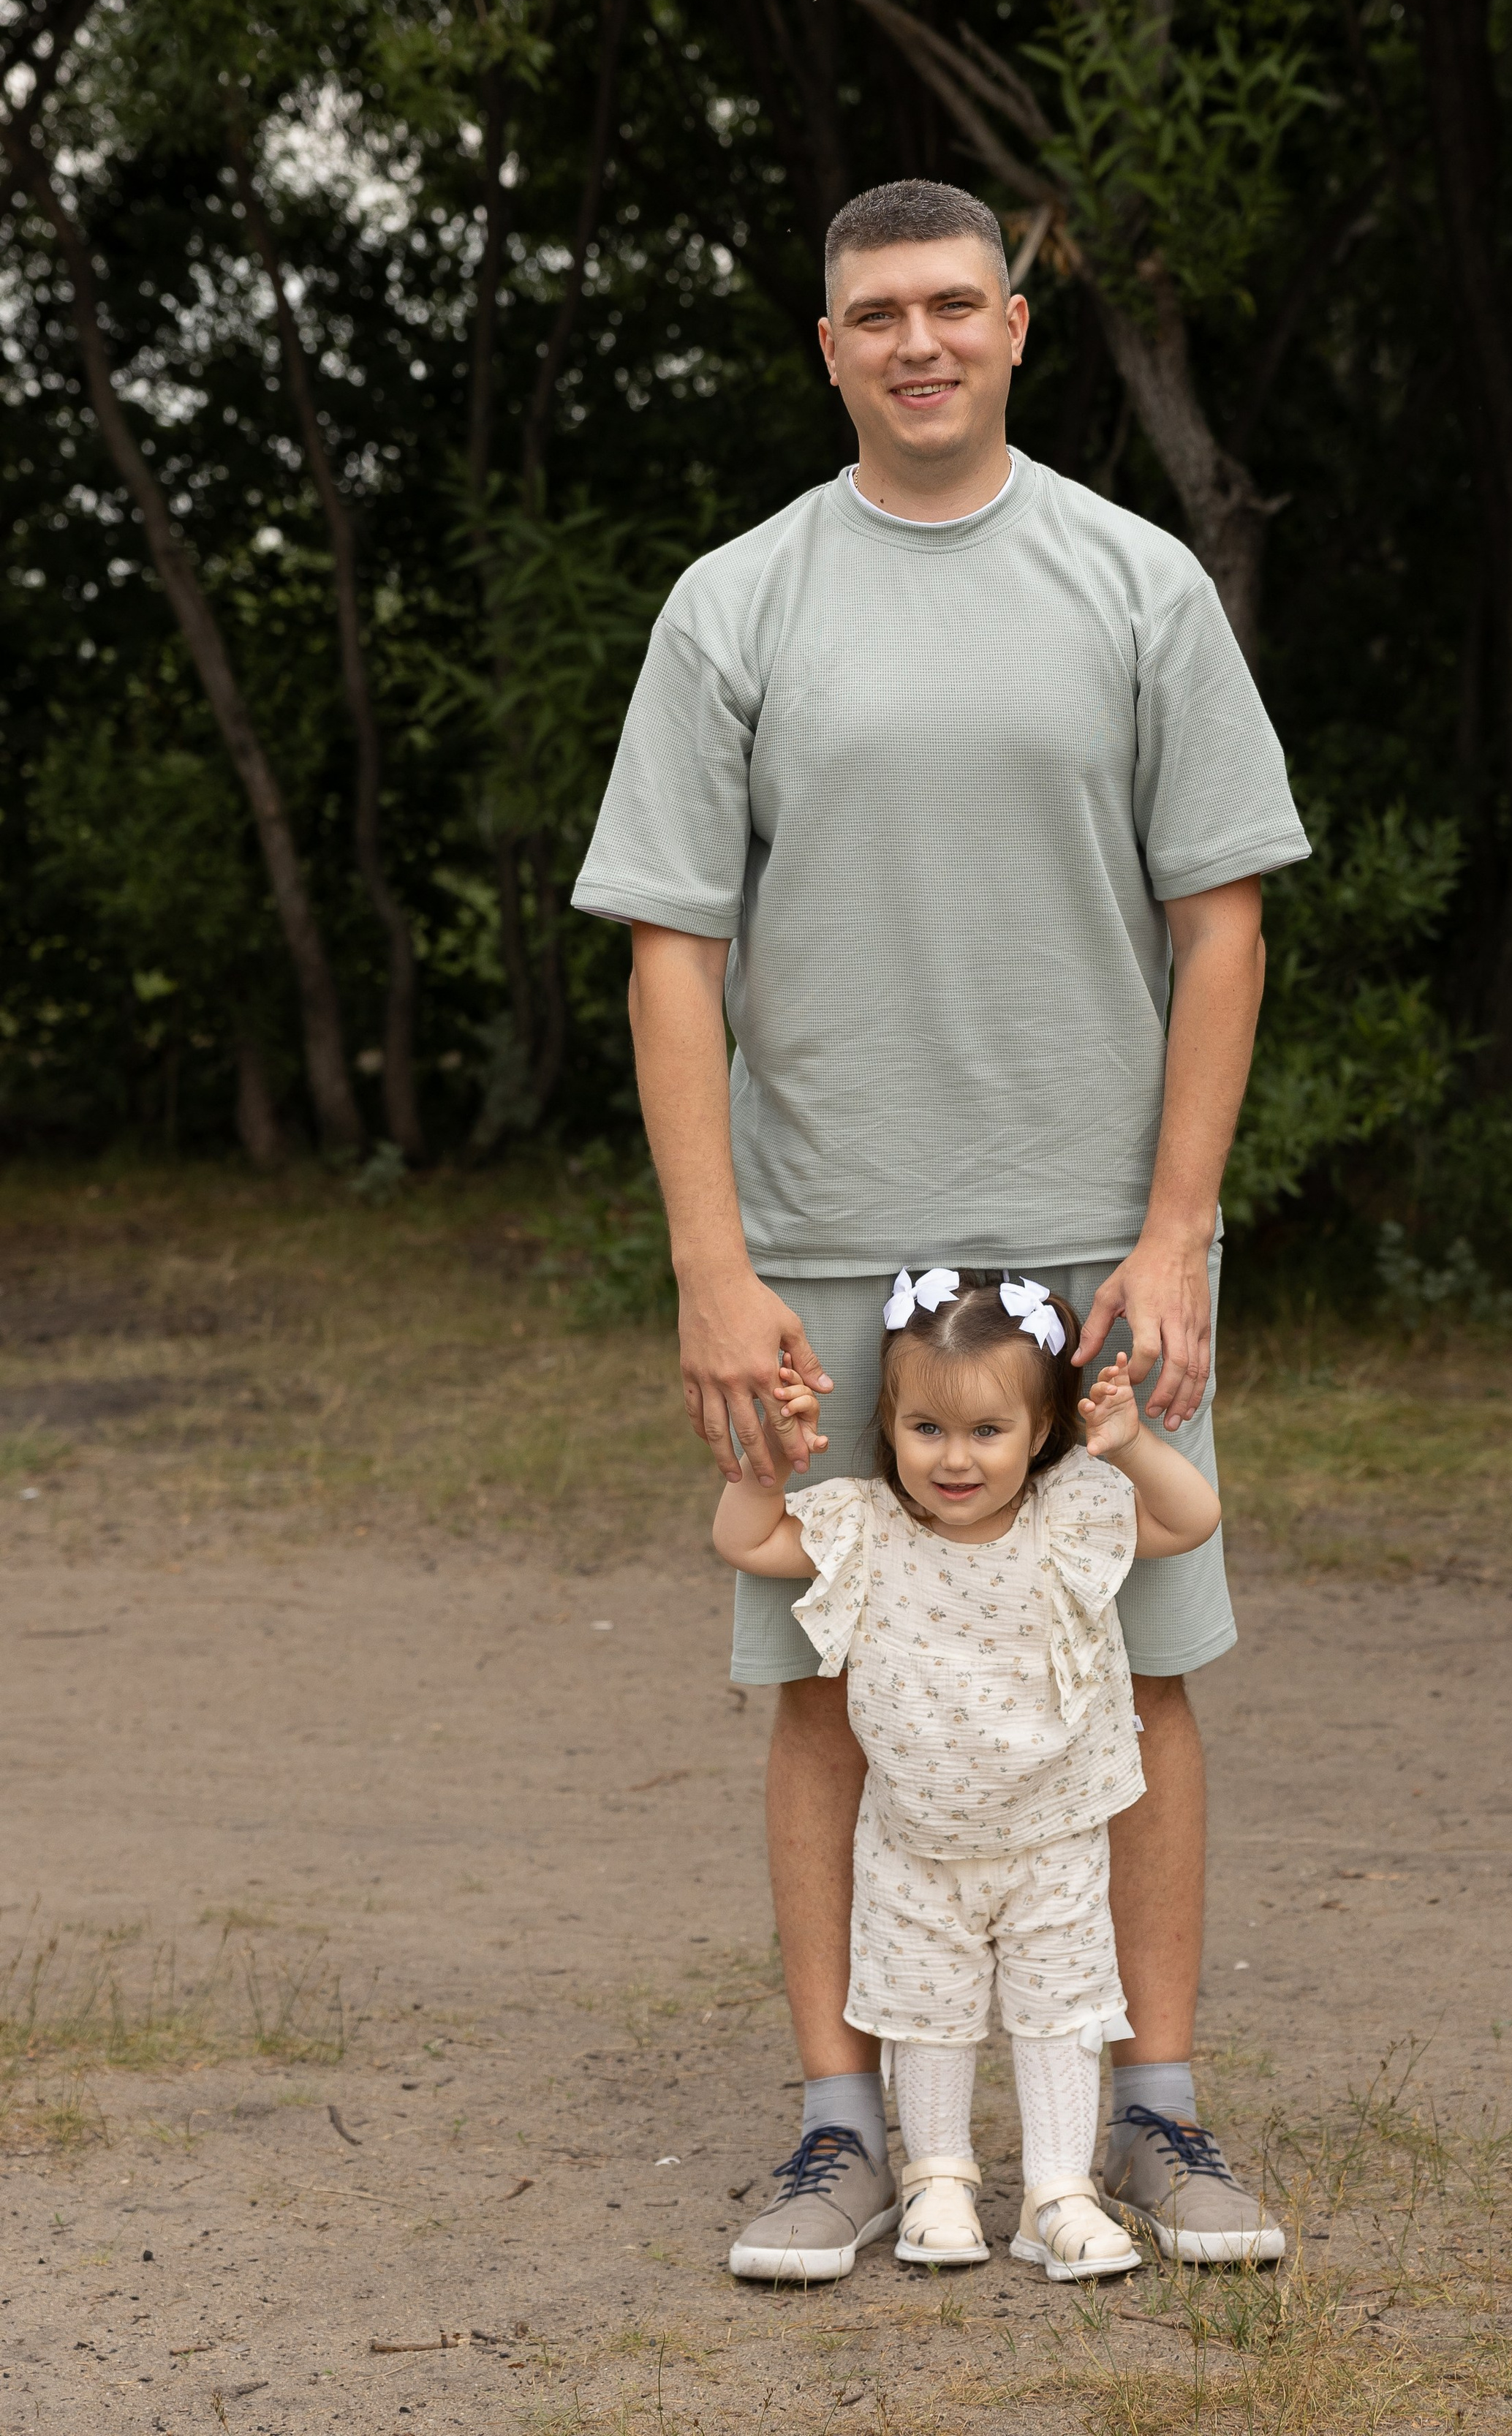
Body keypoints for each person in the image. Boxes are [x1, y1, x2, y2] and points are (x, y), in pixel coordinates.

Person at [573, 176, 1309, 2280]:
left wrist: (1172, 1237)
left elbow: (1225, 921)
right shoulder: (738, 604)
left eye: (954, 304)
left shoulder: (1135, 580)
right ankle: (841, 2126)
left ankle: (1148, 2110)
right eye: (876, 312)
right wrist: (714, 1268)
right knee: (826, 1670)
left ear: (1012, 328)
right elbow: (671, 958)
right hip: (816, 1230)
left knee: (1139, 1665)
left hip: (1092, 1231)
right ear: (830, 351)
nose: (918, 340)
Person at [714, 1275, 1277, 2280]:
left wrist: (1134, 1442)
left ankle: (1059, 2195)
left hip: (1056, 1833)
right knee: (927, 2013)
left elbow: (1192, 1519)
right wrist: (775, 1457)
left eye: (987, 1429)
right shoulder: (867, 1528)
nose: (956, 1458)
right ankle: (938, 2179)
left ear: (1040, 1428)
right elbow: (744, 1540)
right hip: (915, 1837)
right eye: (927, 1427)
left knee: (1061, 2008)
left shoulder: (1073, 1519)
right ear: (887, 1425)